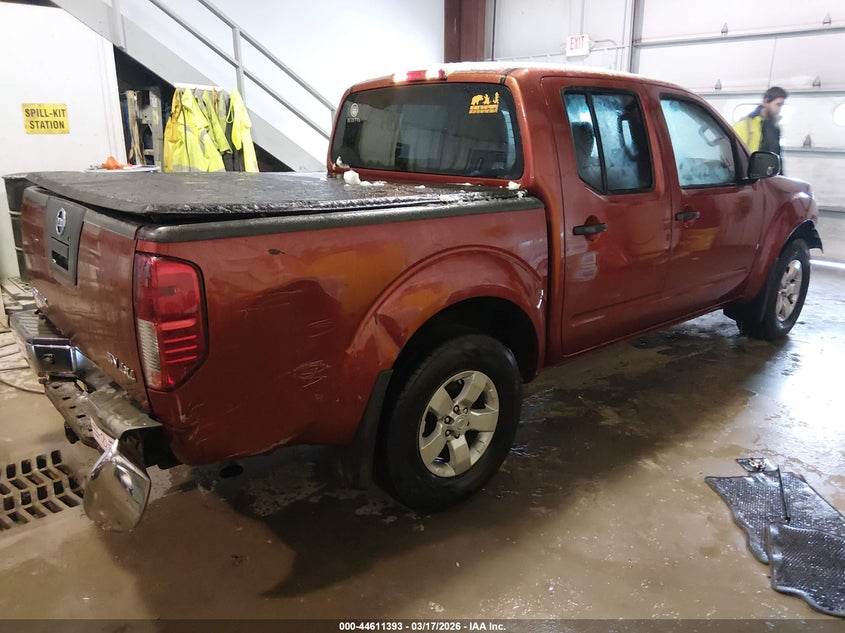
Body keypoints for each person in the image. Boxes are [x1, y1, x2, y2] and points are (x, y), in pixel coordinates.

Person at [733, 87, 788, 172]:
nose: (779, 109)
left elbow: (777, 154)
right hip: (751, 176)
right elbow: (736, 155)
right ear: (766, 102)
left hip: (770, 176)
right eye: (778, 105)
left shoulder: (775, 127)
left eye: (781, 105)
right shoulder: (746, 125)